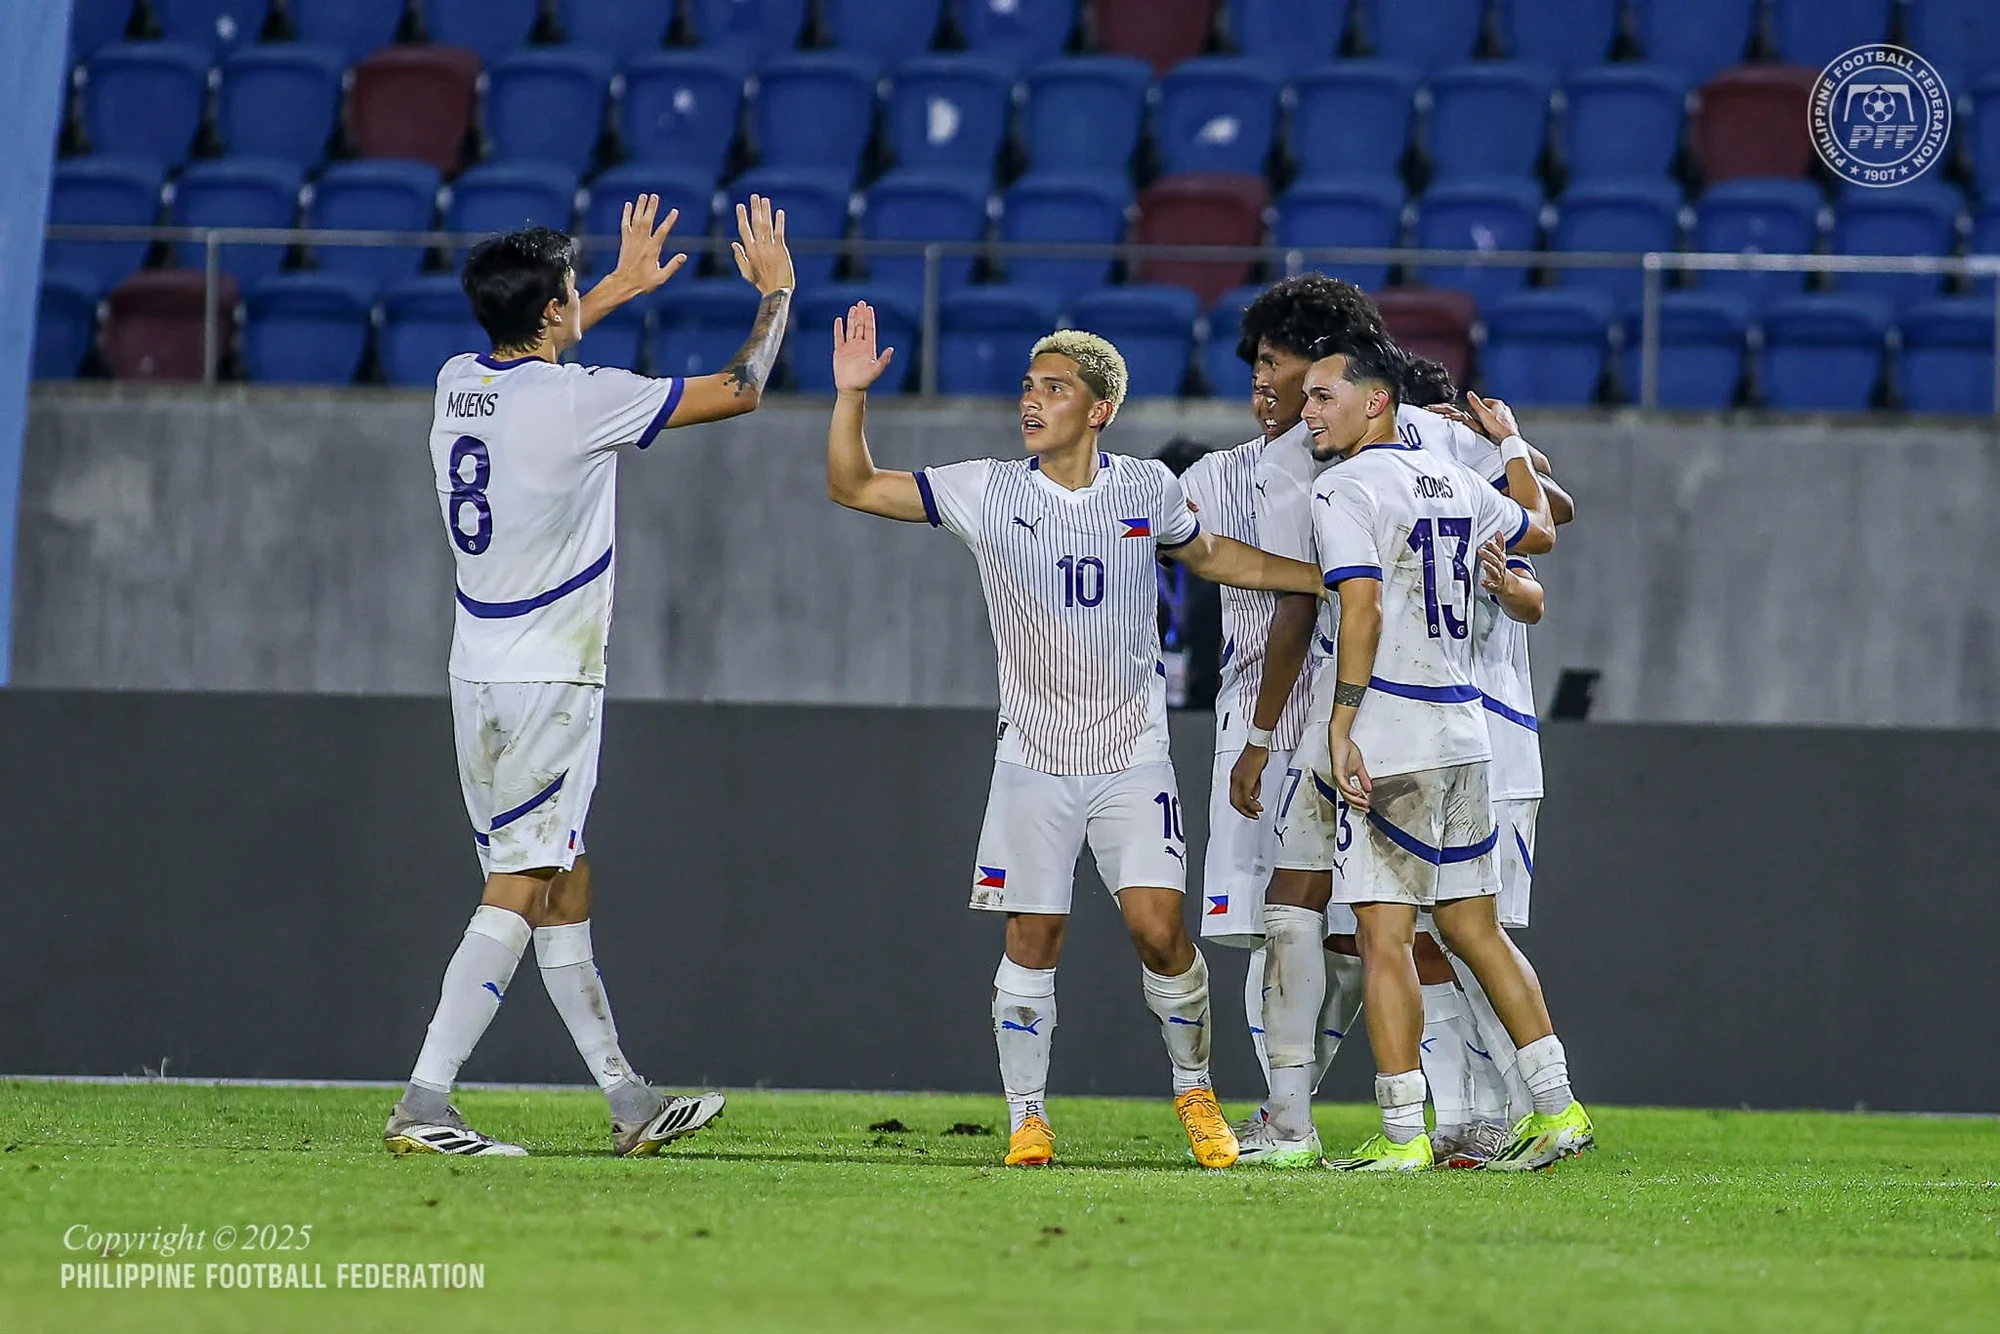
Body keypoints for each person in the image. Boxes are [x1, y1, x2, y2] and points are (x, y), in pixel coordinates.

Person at [825, 303, 1326, 1169]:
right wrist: (850, 397)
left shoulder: (1145, 489)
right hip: (1033, 757)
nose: (1032, 400)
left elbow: (1208, 556)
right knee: (1033, 936)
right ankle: (1028, 1116)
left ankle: (1196, 1094)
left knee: (1162, 931)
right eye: (1028, 386)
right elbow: (855, 485)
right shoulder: (990, 488)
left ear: (1099, 409)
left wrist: (1317, 577)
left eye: (1054, 388)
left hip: (1132, 753)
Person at [385, 195, 796, 1158]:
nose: (582, 300)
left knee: (564, 875)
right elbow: (740, 388)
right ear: (553, 312)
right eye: (574, 291)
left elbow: (532, 359)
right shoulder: (580, 400)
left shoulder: (456, 382)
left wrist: (606, 288)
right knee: (522, 882)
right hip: (549, 678)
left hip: (477, 670)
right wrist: (775, 295)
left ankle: (627, 1099)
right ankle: (425, 1101)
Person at [1296, 333, 1592, 1172]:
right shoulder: (1458, 480)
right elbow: (1539, 528)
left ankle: (1402, 1137)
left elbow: (1361, 611)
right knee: (1476, 930)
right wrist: (1508, 449)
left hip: (1393, 734)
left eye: (1324, 397)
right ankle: (1560, 1107)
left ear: (1376, 401)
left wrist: (1342, 723)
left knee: (1384, 935)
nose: (1309, 412)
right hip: (1468, 734)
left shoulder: (1345, 486)